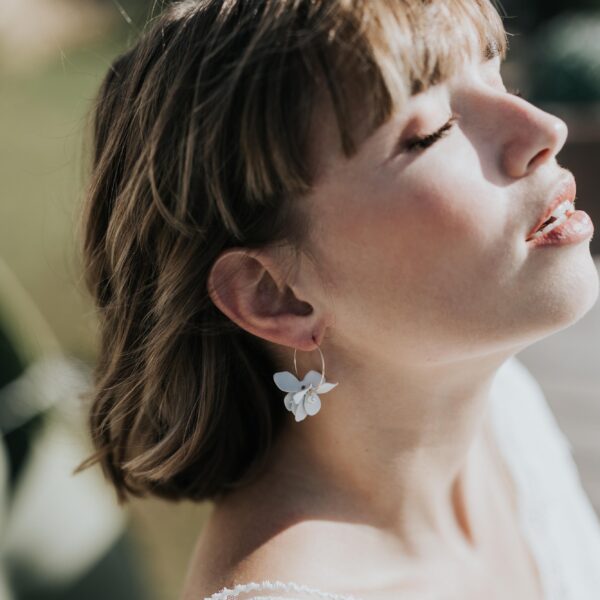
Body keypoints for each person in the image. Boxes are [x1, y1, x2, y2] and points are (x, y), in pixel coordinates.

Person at [74, 0, 600, 598]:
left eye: (493, 68)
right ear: (274, 295)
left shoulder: (501, 407)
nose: (544, 129)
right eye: (432, 131)